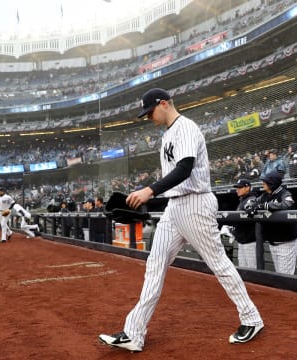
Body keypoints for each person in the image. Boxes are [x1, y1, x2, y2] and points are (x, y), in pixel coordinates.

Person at [98, 88, 263, 352]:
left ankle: (252, 318)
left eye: (150, 111)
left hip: (196, 203)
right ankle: (134, 332)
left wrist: (149, 190)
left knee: (218, 263)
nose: (149, 117)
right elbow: (174, 181)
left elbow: (185, 169)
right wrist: (151, 196)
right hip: (174, 207)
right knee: (155, 264)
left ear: (164, 104)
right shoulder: (166, 137)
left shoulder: (186, 127)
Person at [254, 170, 297, 274]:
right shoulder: (265, 195)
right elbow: (254, 202)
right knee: (279, 274)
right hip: (273, 242)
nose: (263, 183)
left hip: (286, 242)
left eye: (265, 182)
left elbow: (288, 204)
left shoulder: (284, 193)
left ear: (272, 183)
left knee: (285, 276)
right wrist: (251, 206)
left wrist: (267, 206)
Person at [232, 178, 257, 269]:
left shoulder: (251, 199)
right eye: (237, 188)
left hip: (250, 242)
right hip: (242, 241)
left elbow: (250, 210)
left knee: (252, 269)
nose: (237, 190)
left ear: (247, 188)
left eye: (240, 187)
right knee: (242, 268)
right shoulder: (242, 200)